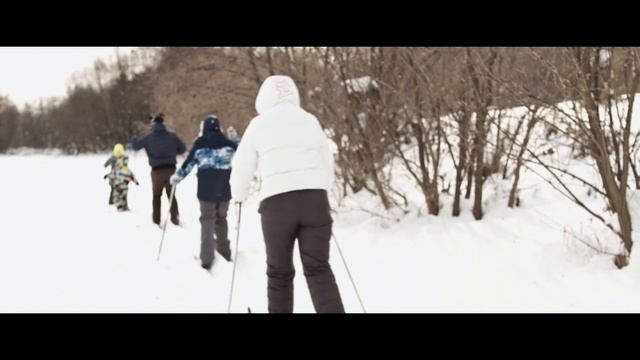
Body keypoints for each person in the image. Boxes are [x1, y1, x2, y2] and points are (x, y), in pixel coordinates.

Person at [230, 75, 345, 313]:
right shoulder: (310, 120)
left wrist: (238, 195)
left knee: (279, 273)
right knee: (319, 268)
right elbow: (327, 160)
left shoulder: (259, 124)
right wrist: (321, 186)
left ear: (263, 98)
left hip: (277, 205)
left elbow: (242, 165)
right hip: (315, 201)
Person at [170, 116, 238, 270]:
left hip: (206, 192)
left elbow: (187, 165)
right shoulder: (228, 145)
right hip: (224, 192)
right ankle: (225, 252)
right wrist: (235, 138)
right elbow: (243, 154)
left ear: (204, 129)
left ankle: (207, 258)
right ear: (219, 128)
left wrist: (177, 178)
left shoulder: (199, 145)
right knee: (222, 220)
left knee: (207, 221)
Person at [131, 113, 186, 225]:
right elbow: (182, 149)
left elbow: (136, 146)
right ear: (163, 123)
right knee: (171, 195)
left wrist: (134, 138)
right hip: (171, 170)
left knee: (156, 196)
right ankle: (174, 218)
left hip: (156, 171)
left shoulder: (149, 137)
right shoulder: (172, 136)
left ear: (154, 124)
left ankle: (156, 220)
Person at [104, 143, 139, 211]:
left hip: (116, 178)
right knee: (122, 193)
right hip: (122, 178)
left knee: (115, 191)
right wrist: (135, 181)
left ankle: (118, 204)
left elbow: (106, 165)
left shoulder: (113, 158)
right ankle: (121, 204)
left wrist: (107, 175)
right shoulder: (123, 159)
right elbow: (131, 174)